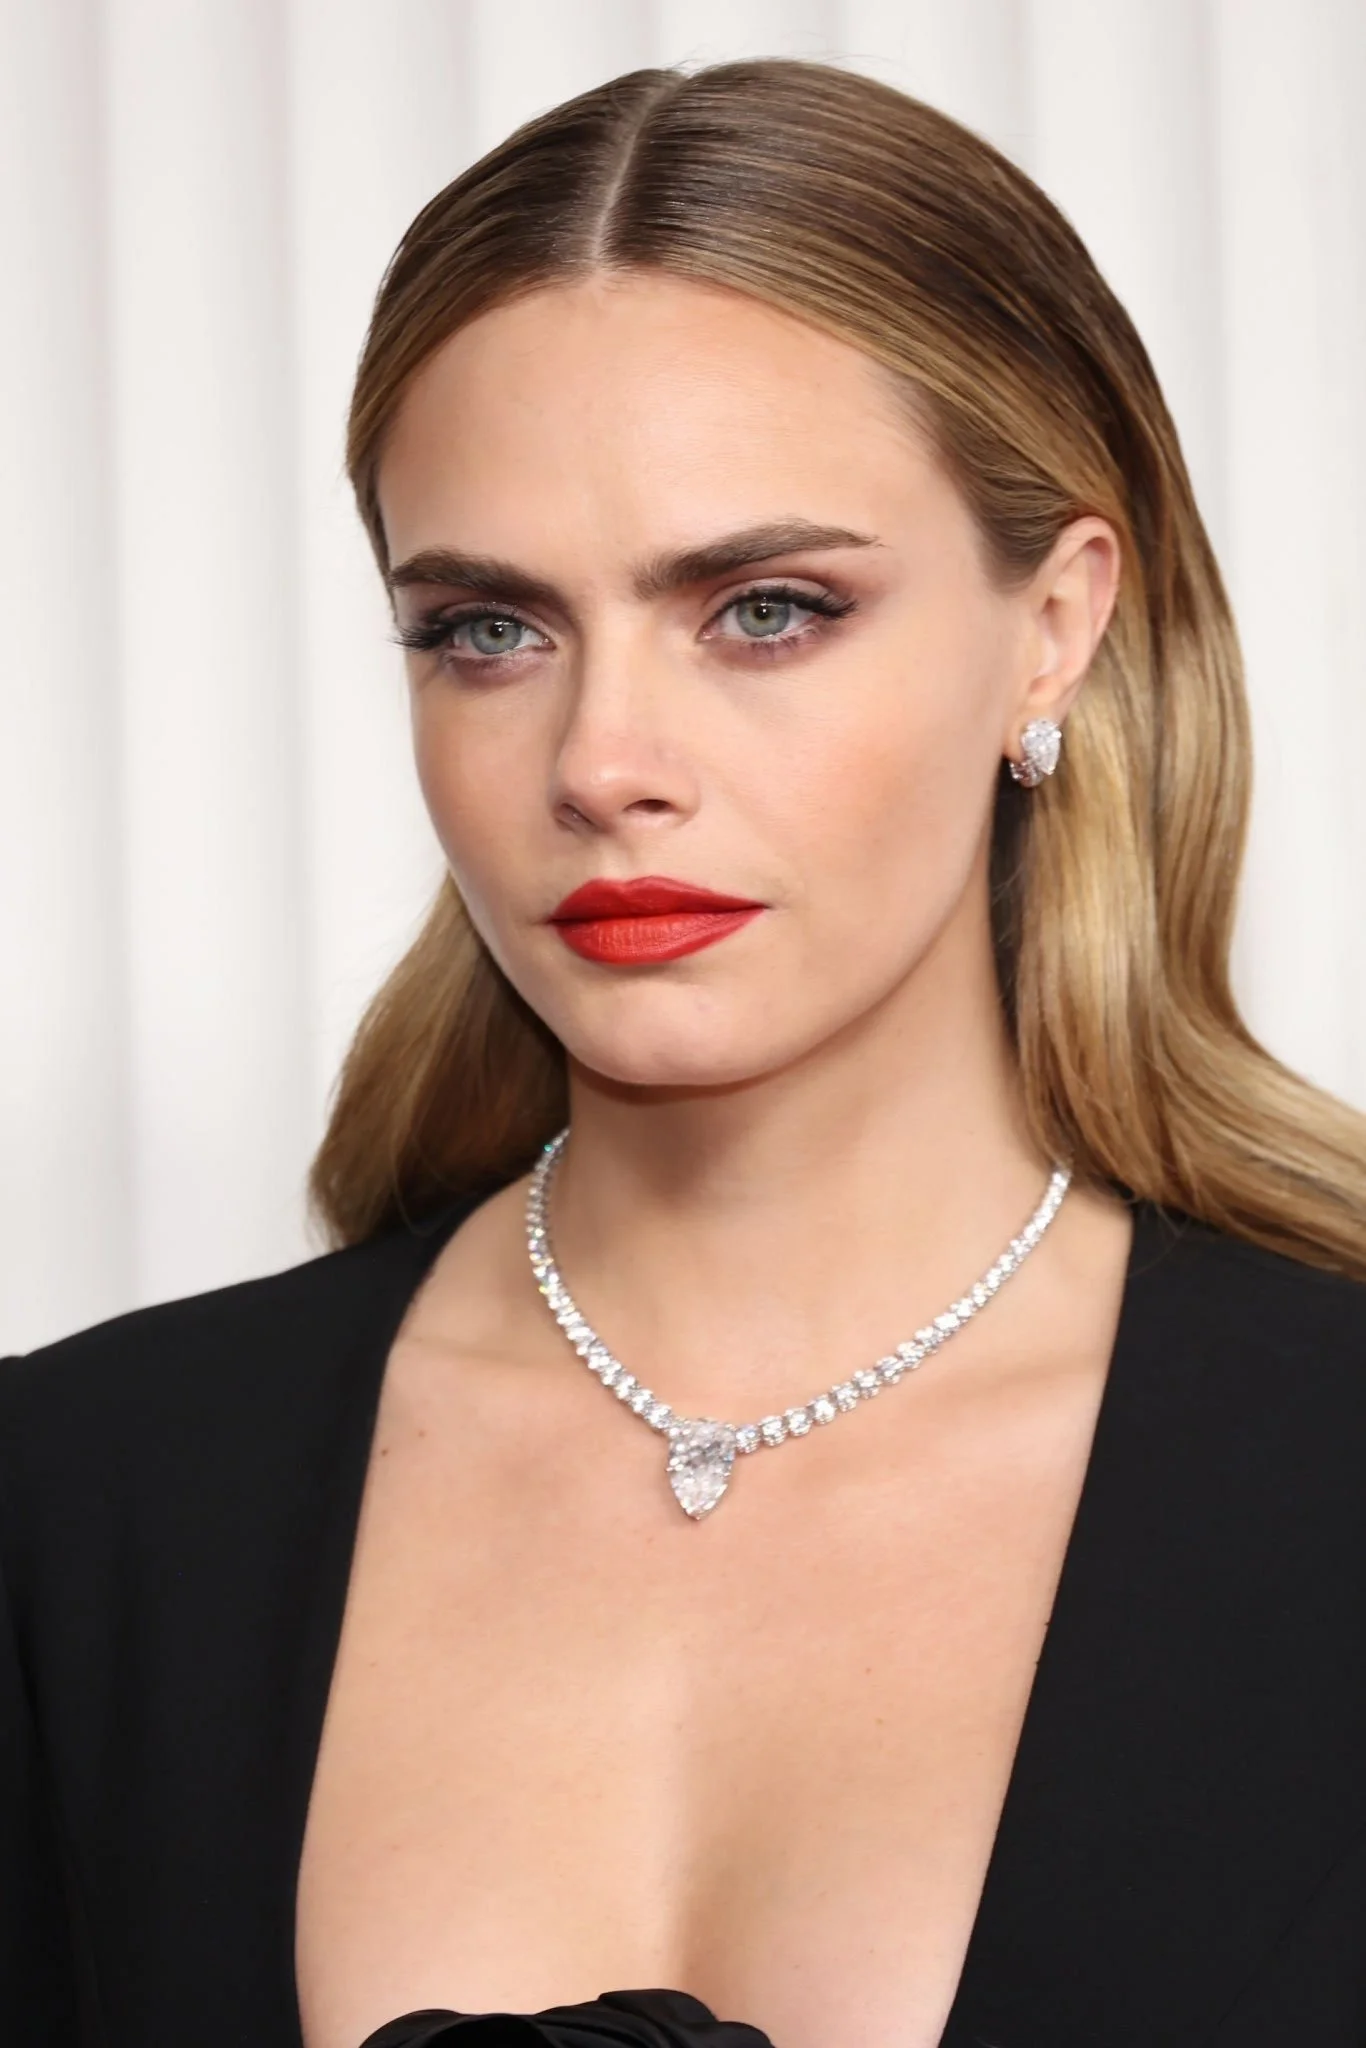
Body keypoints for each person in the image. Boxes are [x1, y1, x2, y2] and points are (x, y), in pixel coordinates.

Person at [3, 55, 1365, 2048]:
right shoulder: (81, 1513)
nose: (599, 762)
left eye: (765, 608)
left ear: (1054, 624)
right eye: (487, 630)